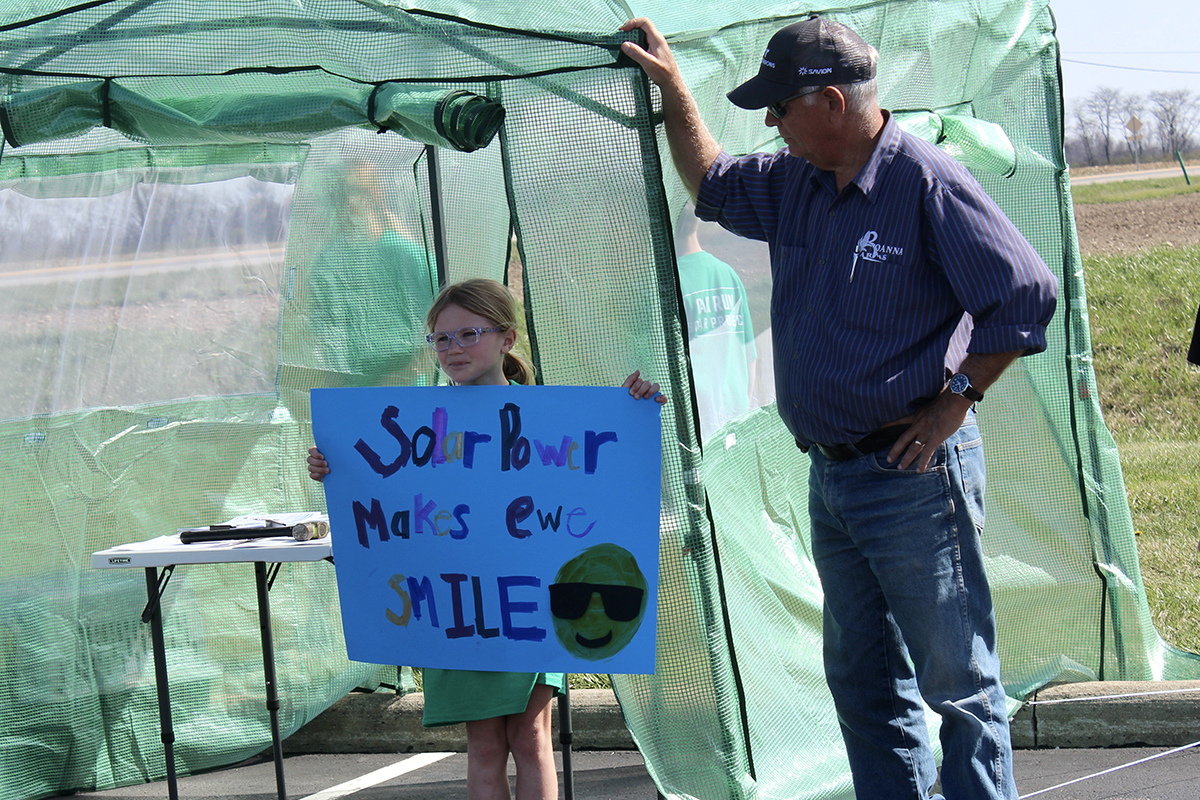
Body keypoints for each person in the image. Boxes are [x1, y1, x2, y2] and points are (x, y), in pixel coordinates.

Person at [621, 14, 1057, 800]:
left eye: (778, 107)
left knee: (958, 683)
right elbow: (712, 180)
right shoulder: (797, 182)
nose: (768, 122)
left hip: (915, 473)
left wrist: (956, 403)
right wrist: (675, 90)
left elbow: (1023, 296)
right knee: (862, 683)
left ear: (828, 101)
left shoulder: (924, 182)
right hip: (835, 475)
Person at [308, 278, 665, 800]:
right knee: (484, 744)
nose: (453, 349)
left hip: (533, 604)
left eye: (467, 334)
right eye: (441, 339)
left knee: (531, 735)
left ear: (507, 339)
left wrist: (638, 405)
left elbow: (608, 475)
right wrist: (331, 465)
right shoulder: (416, 427)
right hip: (454, 605)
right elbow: (385, 491)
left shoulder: (552, 417)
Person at [675, 208, 758, 438]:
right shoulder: (728, 274)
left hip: (697, 429)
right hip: (735, 421)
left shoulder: (668, 286)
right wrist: (743, 410)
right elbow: (750, 356)